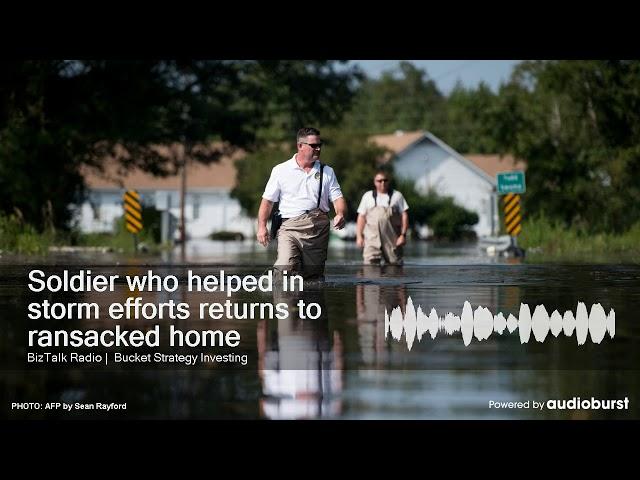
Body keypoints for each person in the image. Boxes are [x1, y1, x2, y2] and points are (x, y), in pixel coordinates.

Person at [257, 127, 346, 280]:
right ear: (300, 146)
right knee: (284, 268)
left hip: (317, 228)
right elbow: (268, 201)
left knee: (313, 277)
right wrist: (261, 226)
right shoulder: (280, 170)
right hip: (289, 227)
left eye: (319, 145)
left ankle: (309, 302)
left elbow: (338, 198)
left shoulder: (327, 172)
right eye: (313, 145)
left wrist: (340, 214)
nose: (318, 148)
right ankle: (283, 302)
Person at [356, 170, 409, 265]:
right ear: (374, 182)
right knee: (369, 267)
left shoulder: (397, 196)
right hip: (371, 238)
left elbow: (404, 215)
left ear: (389, 181)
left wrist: (403, 235)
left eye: (385, 180)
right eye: (379, 181)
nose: (382, 183)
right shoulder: (367, 196)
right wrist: (359, 236)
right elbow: (361, 217)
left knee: (395, 265)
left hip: (392, 240)